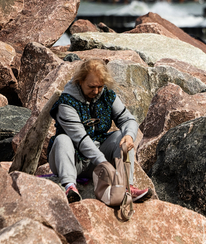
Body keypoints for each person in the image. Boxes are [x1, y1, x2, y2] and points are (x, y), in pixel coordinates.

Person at [48, 59, 150, 204]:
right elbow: (81, 139)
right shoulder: (66, 103)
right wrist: (104, 164)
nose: (96, 91)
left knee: (121, 138)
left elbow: (128, 120)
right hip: (72, 159)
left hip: (95, 161)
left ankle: (127, 187)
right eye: (91, 86)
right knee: (62, 140)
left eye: (100, 87)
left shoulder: (107, 96)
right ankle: (70, 187)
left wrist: (129, 135)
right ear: (80, 81)